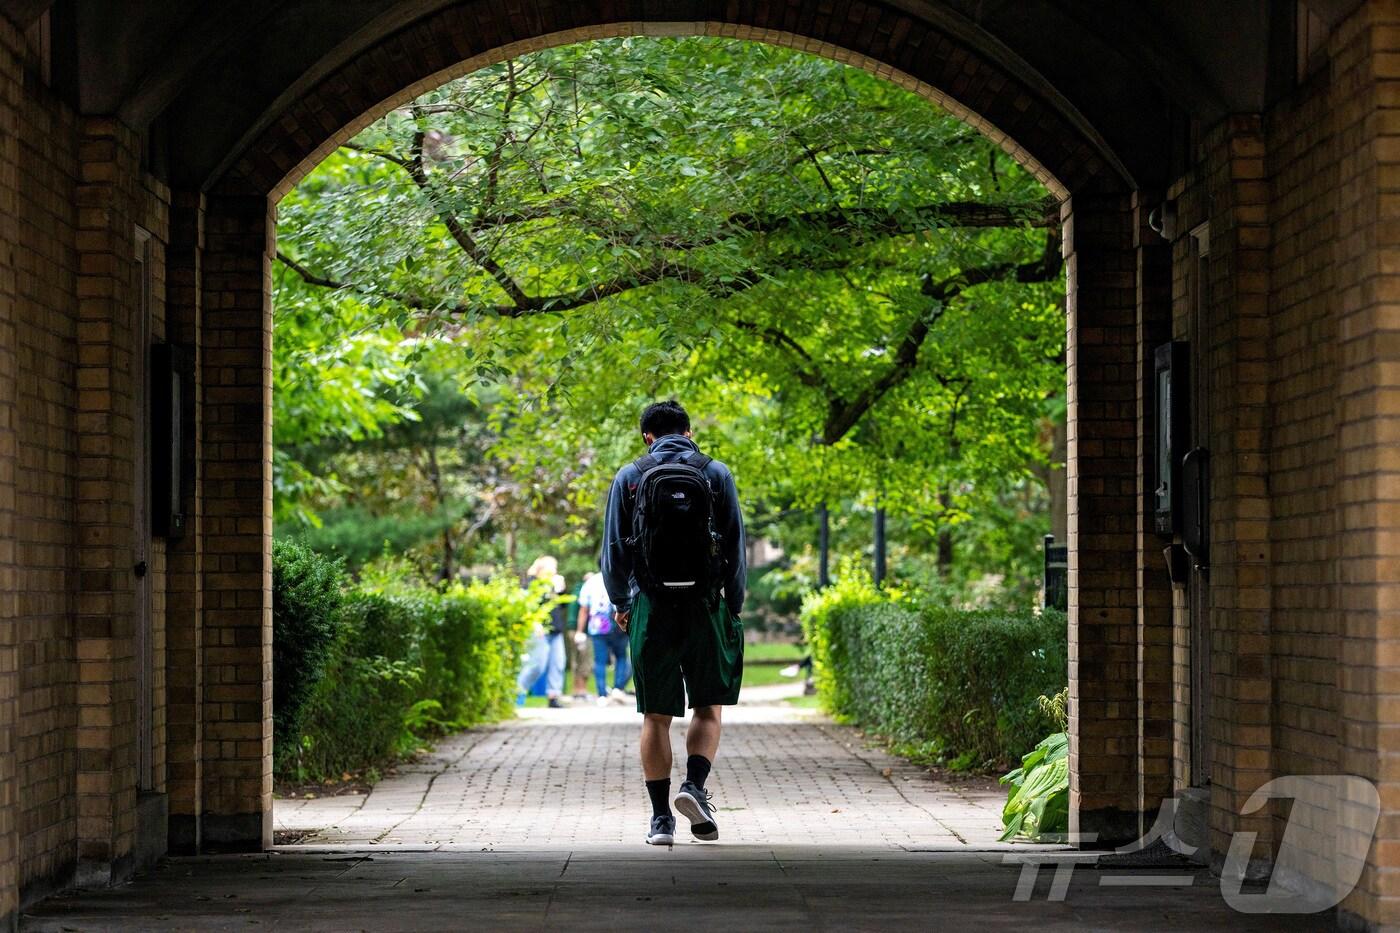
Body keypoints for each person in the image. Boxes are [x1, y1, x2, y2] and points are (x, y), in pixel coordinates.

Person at [601, 399, 745, 846]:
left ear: (647, 435)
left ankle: (661, 820)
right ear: (688, 430)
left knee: (655, 716)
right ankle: (695, 787)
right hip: (704, 604)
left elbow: (613, 550)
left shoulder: (630, 476)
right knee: (708, 706)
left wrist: (622, 603)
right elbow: (736, 544)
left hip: (651, 605)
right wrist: (732, 606)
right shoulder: (716, 473)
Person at [516, 555, 570, 708]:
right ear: (542, 569)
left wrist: (561, 590)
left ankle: (553, 697)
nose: (555, 571)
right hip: (539, 631)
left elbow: (562, 606)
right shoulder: (531, 584)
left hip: (556, 630)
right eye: (552, 567)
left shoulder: (555, 584)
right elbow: (527, 607)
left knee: (558, 663)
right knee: (537, 665)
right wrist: (534, 623)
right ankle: (518, 693)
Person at [577, 570, 631, 706]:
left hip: (598, 625)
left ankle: (602, 695)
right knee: (621, 657)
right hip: (619, 622)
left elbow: (584, 609)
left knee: (599, 660)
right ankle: (618, 688)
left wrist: (580, 631)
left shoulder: (591, 582)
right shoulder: (623, 576)